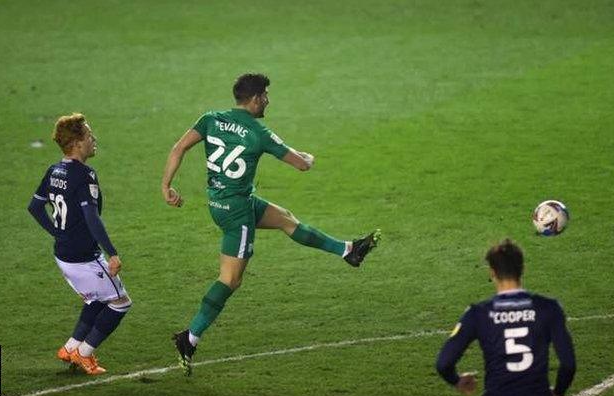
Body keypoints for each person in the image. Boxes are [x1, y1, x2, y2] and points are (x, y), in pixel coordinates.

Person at [161, 73, 380, 375]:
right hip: (237, 213)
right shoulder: (257, 132)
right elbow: (301, 164)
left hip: (224, 202)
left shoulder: (211, 118)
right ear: (253, 99)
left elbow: (178, 147)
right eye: (265, 95)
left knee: (286, 219)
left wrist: (166, 186)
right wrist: (308, 157)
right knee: (230, 280)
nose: (267, 100)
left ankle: (348, 251)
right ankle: (190, 337)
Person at [27, 113, 132, 375]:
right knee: (120, 303)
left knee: (95, 299)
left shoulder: (54, 170)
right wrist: (113, 254)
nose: (93, 139)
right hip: (83, 256)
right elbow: (91, 217)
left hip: (63, 254)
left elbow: (35, 207)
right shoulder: (85, 175)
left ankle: (70, 347)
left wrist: (57, 232)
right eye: (88, 135)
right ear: (76, 142)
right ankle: (84, 354)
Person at [436, 239, 576, 396]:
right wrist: (558, 394)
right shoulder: (548, 308)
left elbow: (443, 363)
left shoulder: (477, 313)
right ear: (522, 269)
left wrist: (456, 381)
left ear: (492, 272)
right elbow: (568, 364)